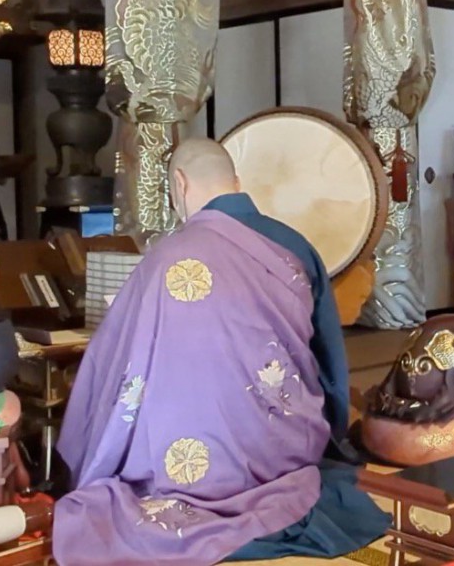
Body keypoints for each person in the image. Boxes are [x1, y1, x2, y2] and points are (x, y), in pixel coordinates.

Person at [52, 138, 390, 565]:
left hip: (188, 459)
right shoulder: (294, 246)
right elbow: (326, 358)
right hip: (285, 449)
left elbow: (116, 359)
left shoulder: (165, 258)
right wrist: (333, 432)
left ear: (179, 182)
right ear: (236, 182)